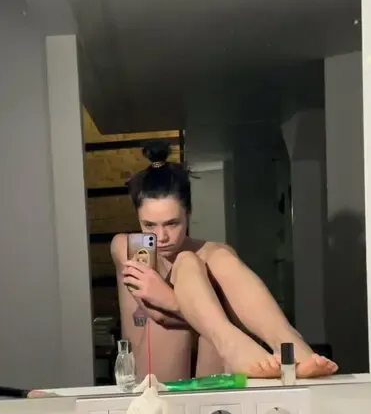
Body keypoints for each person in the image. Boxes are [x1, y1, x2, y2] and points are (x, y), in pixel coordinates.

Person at [110, 140, 338, 382]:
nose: (161, 237)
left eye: (172, 223)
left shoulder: (213, 255)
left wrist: (173, 298)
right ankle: (231, 343)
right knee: (190, 267)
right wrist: (201, 311)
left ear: (188, 213)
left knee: (206, 258)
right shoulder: (127, 246)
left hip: (210, 376)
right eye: (149, 225)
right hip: (153, 382)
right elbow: (159, 315)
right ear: (138, 218)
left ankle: (291, 345)